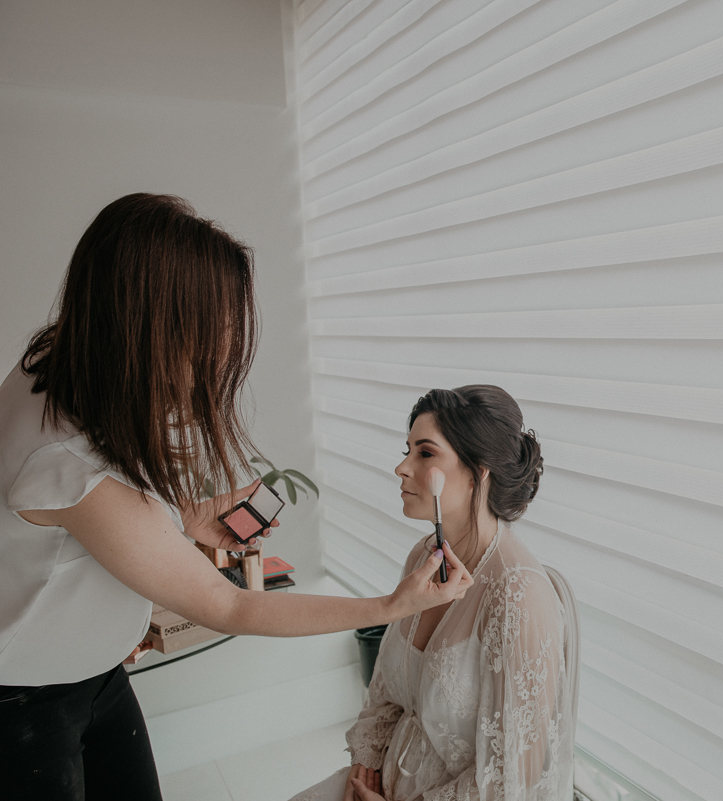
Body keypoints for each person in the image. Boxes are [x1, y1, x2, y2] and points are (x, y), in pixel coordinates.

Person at [0, 194, 473, 800]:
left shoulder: (61, 364)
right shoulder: (64, 463)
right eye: (207, 335)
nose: (218, 354)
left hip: (94, 674)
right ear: (148, 327)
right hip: (25, 698)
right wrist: (392, 606)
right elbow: (231, 608)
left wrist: (185, 516)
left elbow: (102, 511)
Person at [291, 386, 578, 801]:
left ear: (479, 471)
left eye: (424, 453)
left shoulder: (518, 595)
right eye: (406, 449)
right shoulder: (424, 556)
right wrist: (366, 762)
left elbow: (518, 772)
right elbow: (389, 691)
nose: (401, 467)